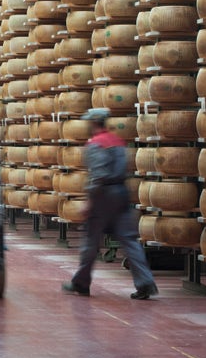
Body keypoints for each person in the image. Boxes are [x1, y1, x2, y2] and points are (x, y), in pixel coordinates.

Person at [62, 108, 159, 300]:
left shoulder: (95, 144)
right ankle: (145, 283)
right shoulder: (118, 142)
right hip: (121, 192)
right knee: (130, 240)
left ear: (93, 124)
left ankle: (81, 283)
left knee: (91, 240)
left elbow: (98, 175)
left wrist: (89, 202)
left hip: (102, 195)